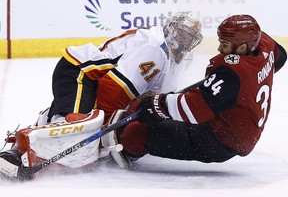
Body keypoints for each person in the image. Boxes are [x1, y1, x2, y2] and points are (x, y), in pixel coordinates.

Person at [0, 11, 203, 180]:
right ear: (171, 28)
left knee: (82, 128)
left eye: (190, 38)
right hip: (79, 72)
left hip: (93, 80)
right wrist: (104, 126)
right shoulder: (155, 49)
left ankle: (44, 127)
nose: (185, 41)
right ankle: (14, 157)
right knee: (76, 125)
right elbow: (113, 87)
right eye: (182, 33)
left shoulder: (177, 58)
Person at [119, 14, 287, 164]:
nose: (220, 49)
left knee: (133, 134)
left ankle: (125, 150)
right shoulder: (264, 44)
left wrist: (158, 103)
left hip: (220, 140)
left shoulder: (233, 72)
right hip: (236, 124)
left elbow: (194, 109)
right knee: (154, 110)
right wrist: (250, 80)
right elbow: (281, 57)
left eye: (225, 45)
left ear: (242, 48)